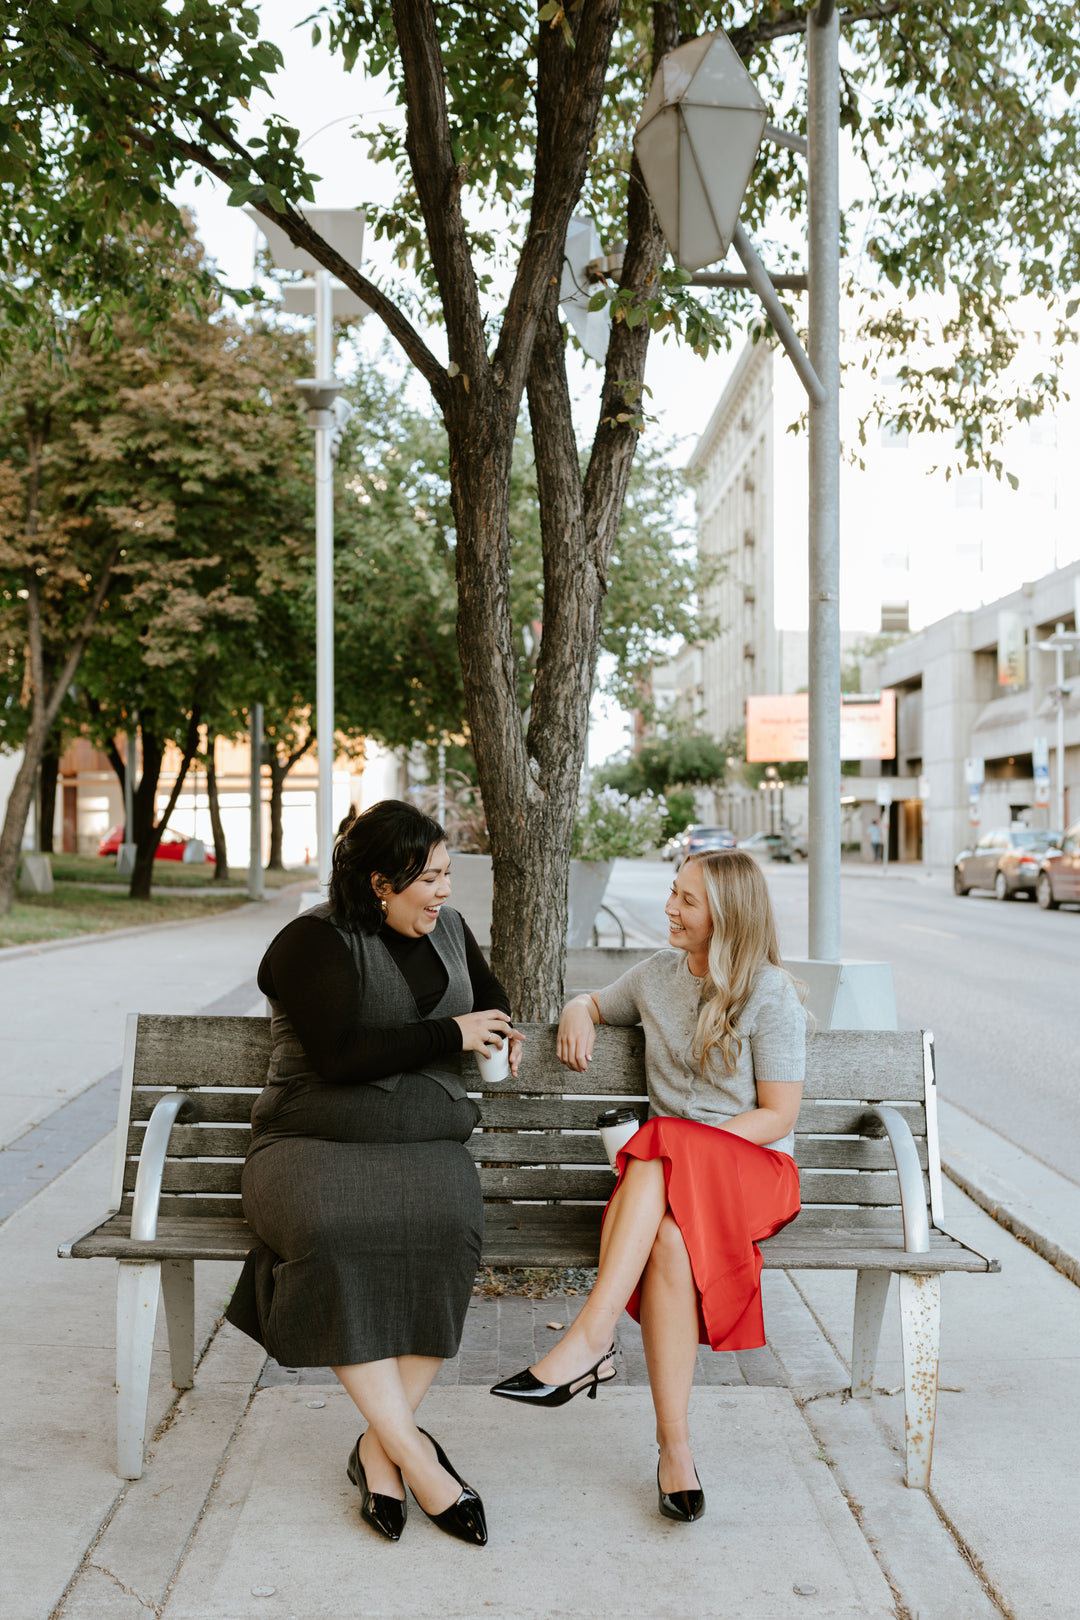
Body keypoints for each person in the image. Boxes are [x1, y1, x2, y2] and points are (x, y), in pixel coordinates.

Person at [226, 800, 522, 1547]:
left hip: (427, 1144)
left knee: (449, 1231)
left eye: (448, 875)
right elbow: (342, 1056)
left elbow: (491, 1000)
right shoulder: (310, 942)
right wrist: (448, 1035)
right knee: (331, 1235)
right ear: (381, 882)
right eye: (429, 879)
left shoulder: (449, 931)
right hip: (308, 1143)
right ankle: (419, 1461)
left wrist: (500, 1032)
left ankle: (377, 1448)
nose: (445, 893)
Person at [490, 850, 805, 1525]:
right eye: (673, 893)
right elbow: (597, 1003)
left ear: (727, 914)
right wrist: (579, 1007)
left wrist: (699, 1151)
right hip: (663, 1183)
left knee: (662, 1143)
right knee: (665, 1236)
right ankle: (675, 1449)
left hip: (753, 1174)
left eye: (688, 901)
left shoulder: (770, 992)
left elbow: (779, 1114)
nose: (671, 909)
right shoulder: (656, 977)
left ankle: (591, 1337)